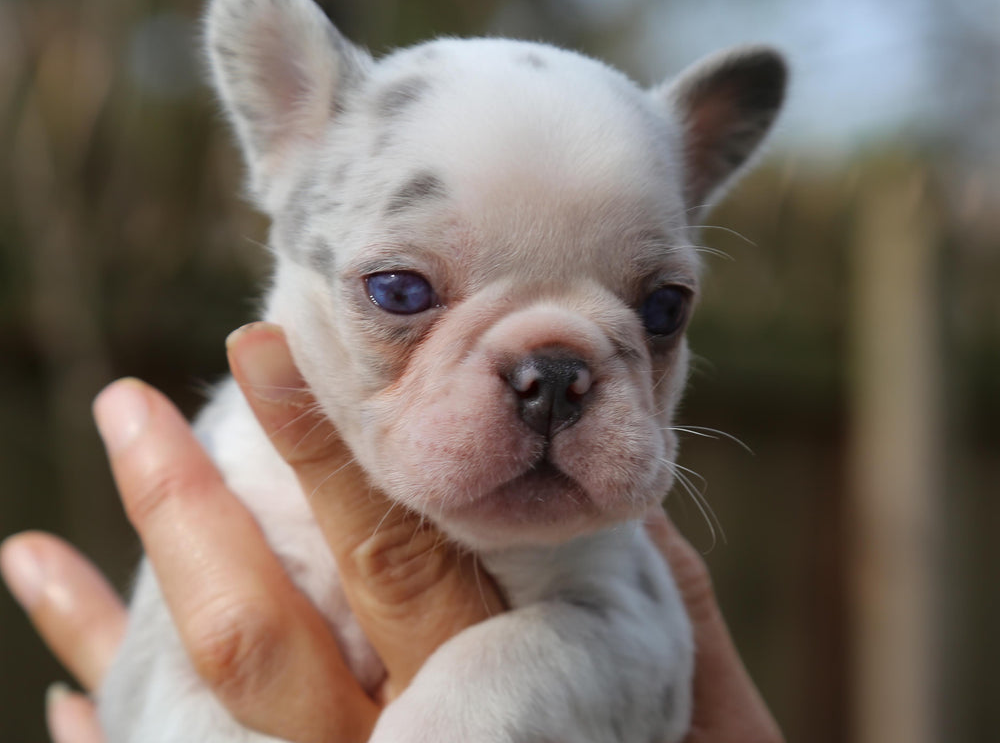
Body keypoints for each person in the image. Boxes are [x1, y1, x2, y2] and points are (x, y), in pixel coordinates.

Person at [1, 322, 783, 743]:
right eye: (403, 292)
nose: (549, 384)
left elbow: (643, 671)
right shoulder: (234, 462)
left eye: (657, 311)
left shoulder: (604, 547)